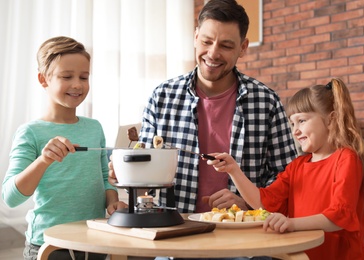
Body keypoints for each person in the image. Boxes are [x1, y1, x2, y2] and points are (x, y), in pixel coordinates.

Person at [109, 0, 297, 214]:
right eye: (207, 41)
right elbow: (148, 174)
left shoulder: (266, 101)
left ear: (243, 48)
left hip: (243, 230)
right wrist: (125, 174)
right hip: (176, 228)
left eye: (226, 46)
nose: (213, 54)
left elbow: (288, 176)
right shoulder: (162, 96)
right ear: (196, 37)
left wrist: (249, 201)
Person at [208, 78, 364, 260]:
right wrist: (233, 170)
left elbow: (339, 216)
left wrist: (291, 223)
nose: (295, 131)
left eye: (301, 121)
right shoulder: (297, 166)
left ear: (331, 120)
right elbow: (263, 203)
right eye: (292, 123)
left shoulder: (346, 159)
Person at [2, 36, 126, 260]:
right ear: (43, 79)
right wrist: (43, 160)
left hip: (93, 242)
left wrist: (112, 203)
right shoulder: (30, 132)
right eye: (66, 76)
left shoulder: (94, 127)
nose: (77, 84)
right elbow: (10, 197)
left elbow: (104, 179)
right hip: (49, 245)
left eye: (84, 77)